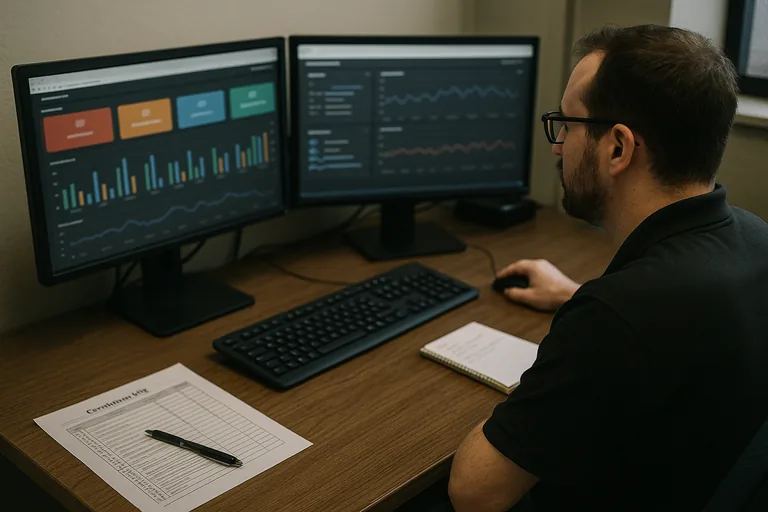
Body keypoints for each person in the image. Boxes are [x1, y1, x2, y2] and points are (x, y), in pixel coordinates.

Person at [446, 24, 768, 512]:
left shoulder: (618, 316)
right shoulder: (755, 240)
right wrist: (575, 294)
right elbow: (673, 321)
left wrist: (574, 347)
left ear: (618, 147)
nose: (557, 146)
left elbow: (474, 493)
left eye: (567, 125)